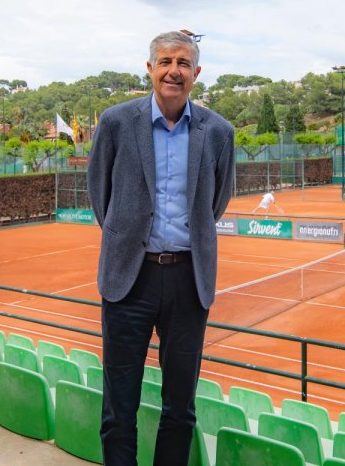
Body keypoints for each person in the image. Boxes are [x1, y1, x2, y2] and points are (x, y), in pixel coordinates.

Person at [87, 30, 236, 466]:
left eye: (184, 63)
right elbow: (101, 195)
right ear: (150, 68)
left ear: (197, 74)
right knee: (119, 406)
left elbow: (216, 201)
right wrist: (128, 238)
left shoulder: (218, 132)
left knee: (180, 408)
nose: (175, 71)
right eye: (166, 61)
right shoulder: (116, 122)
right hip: (129, 278)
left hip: (189, 280)